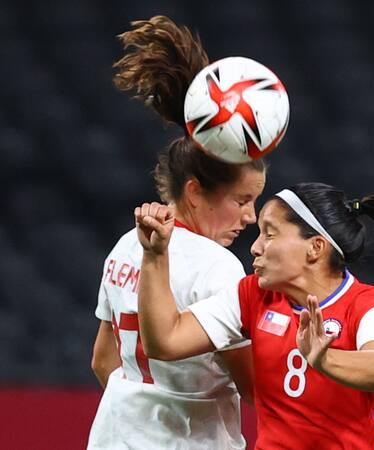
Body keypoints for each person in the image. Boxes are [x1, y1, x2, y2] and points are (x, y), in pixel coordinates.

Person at [133, 182, 374, 449]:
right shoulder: (253, 295)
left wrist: (325, 359)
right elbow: (165, 342)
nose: (255, 247)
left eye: (270, 233)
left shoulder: (370, 306)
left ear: (315, 248)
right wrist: (155, 256)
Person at [87, 16, 266, 449]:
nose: (251, 217)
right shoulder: (218, 268)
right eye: (242, 201)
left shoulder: (126, 245)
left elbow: (102, 360)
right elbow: (254, 388)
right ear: (194, 191)